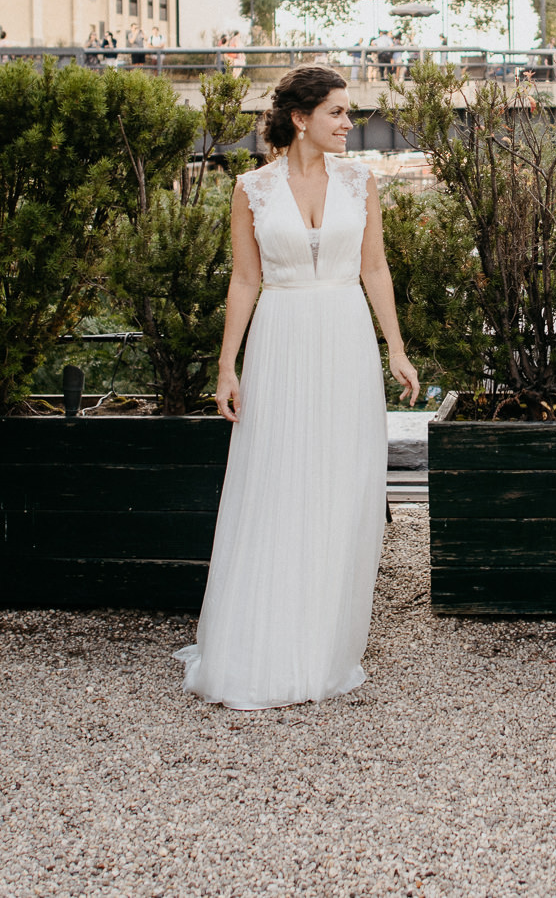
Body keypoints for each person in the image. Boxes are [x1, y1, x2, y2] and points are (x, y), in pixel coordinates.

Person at [175, 66, 420, 710]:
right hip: (280, 340)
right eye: (337, 113)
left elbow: (374, 267)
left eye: (348, 113)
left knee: (339, 487)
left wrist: (395, 346)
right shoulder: (250, 188)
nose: (348, 124)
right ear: (300, 118)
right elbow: (245, 281)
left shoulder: (360, 182)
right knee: (276, 482)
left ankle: (323, 643)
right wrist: (228, 367)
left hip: (343, 337)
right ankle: (261, 639)